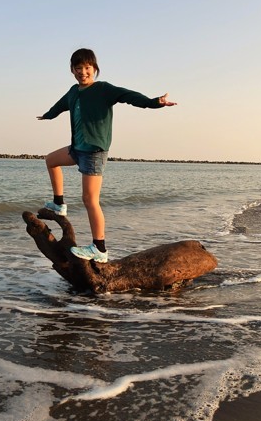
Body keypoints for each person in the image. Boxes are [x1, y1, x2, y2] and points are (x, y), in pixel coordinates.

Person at [37, 48, 176, 263]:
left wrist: (154, 101)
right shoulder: (74, 91)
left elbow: (129, 96)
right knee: (51, 160)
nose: (83, 72)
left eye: (87, 68)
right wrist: (48, 115)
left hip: (94, 151)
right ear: (72, 70)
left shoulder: (103, 89)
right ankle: (59, 203)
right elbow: (61, 105)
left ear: (94, 69)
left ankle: (99, 248)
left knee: (90, 199)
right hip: (77, 148)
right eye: (78, 68)